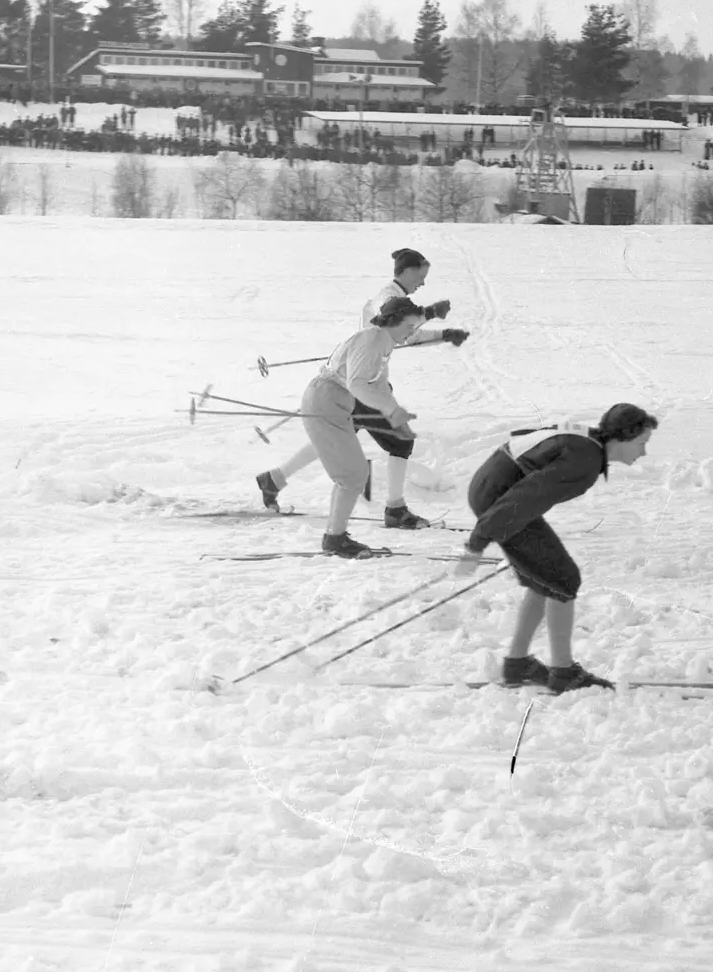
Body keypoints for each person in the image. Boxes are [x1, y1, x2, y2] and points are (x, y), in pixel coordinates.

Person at [453, 403, 659, 693]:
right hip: (498, 499)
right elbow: (522, 499)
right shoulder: (583, 462)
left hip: (495, 489)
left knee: (545, 576)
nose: (644, 452)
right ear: (621, 438)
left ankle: (517, 664)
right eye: (641, 443)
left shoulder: (588, 443)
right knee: (563, 578)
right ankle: (563, 672)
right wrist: (475, 546)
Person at [256, 249, 470, 526]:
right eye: (421, 274)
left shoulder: (399, 300)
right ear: (405, 271)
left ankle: (274, 479)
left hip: (361, 381)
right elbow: (394, 319)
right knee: (399, 441)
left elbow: (405, 334)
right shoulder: (389, 296)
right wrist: (428, 314)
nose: (423, 282)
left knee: (336, 438)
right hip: (359, 383)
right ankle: (395, 509)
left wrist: (443, 334)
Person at [300, 297, 427, 559]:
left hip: (334, 401)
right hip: (327, 400)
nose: (412, 332)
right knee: (353, 474)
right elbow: (358, 384)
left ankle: (335, 537)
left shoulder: (382, 341)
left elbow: (378, 385)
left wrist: (394, 414)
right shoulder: (372, 340)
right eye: (409, 326)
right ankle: (334, 539)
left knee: (352, 474)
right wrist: (391, 410)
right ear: (393, 321)